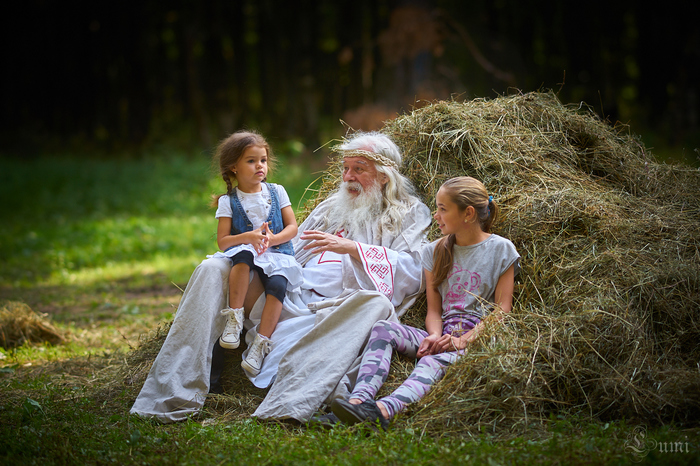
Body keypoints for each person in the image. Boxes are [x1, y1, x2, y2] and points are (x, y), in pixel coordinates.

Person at [130, 131, 432, 423]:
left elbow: (415, 272)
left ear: (384, 176)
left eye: (358, 169)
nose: (348, 177)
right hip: (286, 294)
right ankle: (171, 395)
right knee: (213, 269)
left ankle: (286, 404)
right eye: (345, 168)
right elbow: (289, 251)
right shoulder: (331, 207)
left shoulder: (408, 213)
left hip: (335, 312)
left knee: (376, 304)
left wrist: (352, 248)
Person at [330, 176, 520, 429]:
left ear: (468, 213)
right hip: (444, 333)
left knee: (431, 361)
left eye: (443, 209)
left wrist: (463, 340)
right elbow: (434, 310)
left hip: (478, 339)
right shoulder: (434, 251)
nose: (437, 215)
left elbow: (502, 310)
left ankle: (383, 411)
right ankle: (357, 404)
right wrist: (434, 336)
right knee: (383, 329)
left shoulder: (502, 250)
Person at [207, 130, 301, 377]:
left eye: (263, 160)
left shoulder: (277, 191)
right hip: (246, 251)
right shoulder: (229, 201)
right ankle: (234, 318)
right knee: (243, 256)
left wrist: (273, 239)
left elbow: (292, 228)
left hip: (278, 253)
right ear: (233, 167)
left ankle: (260, 344)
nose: (259, 166)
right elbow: (223, 241)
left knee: (278, 286)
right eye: (251, 161)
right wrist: (248, 238)